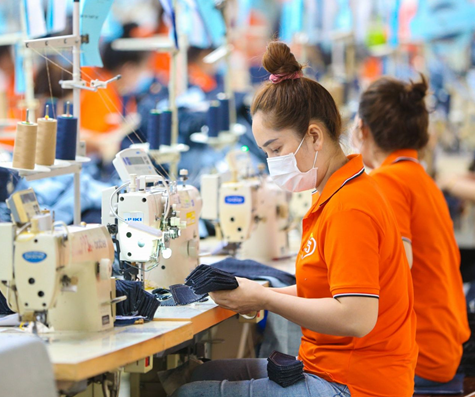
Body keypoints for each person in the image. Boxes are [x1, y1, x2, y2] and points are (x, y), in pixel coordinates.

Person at [173, 41, 417, 397]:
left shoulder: (350, 208)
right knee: (198, 374)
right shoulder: (335, 194)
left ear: (314, 136)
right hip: (332, 368)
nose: (273, 163)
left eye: (276, 149)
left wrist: (266, 299)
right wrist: (257, 293)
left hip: (356, 385)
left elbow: (356, 317)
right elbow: (325, 288)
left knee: (189, 394)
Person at [353, 75, 470, 391]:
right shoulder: (421, 179)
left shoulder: (388, 181)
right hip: (444, 346)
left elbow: (398, 265)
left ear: (362, 130)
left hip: (421, 357)